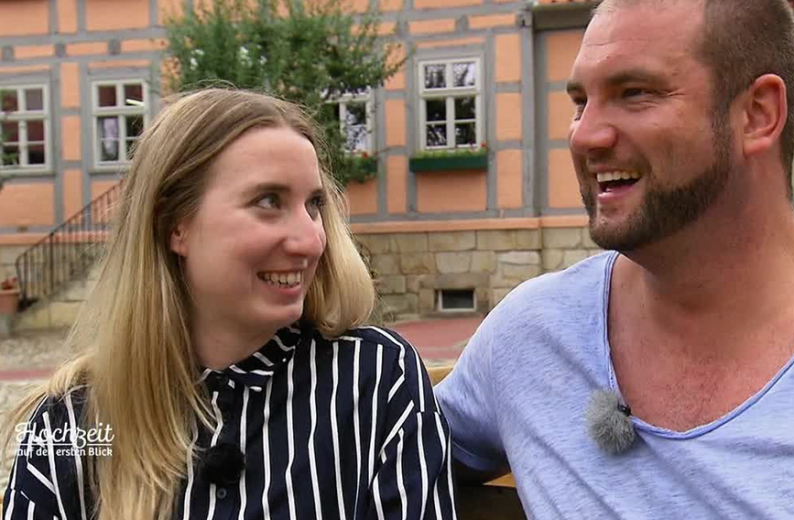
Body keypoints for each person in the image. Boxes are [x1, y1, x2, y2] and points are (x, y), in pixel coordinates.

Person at [435, 0, 794, 519]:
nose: (585, 135)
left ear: (757, 115)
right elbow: (367, 457)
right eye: (580, 102)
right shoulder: (534, 335)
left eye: (634, 93)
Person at [2, 89, 457, 520]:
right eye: (268, 201)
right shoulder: (73, 421)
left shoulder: (373, 378)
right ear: (174, 225)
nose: (311, 238)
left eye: (314, 203)